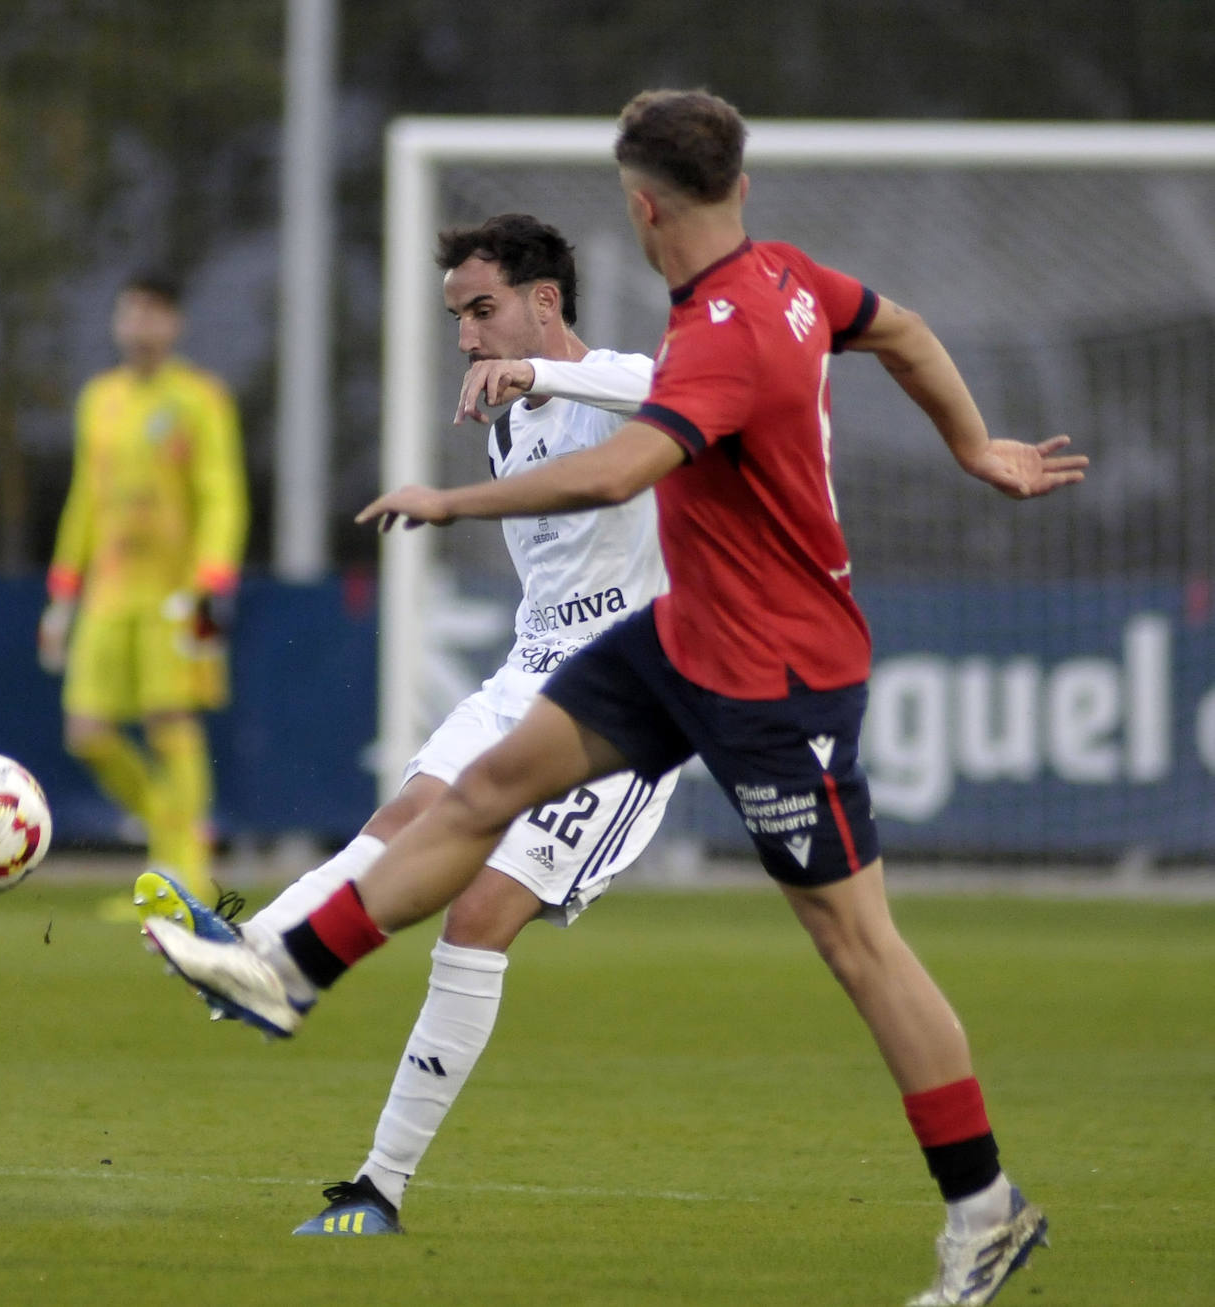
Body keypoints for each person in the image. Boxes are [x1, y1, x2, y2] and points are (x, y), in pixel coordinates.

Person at [142, 90, 1088, 1306]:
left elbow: (619, 472)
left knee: (859, 944)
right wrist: (975, 445)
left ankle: (986, 1209)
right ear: (735, 188)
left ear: (641, 209)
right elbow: (898, 328)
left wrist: (447, 501)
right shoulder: (788, 277)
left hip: (777, 680)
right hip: (680, 636)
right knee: (481, 787)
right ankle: (287, 971)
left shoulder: (724, 336)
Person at [136, 214, 679, 1234]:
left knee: (478, 913)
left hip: (634, 703)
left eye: (483, 310)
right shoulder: (505, 417)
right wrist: (523, 394)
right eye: (457, 318)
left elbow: (676, 394)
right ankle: (249, 957)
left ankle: (379, 1186)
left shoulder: (603, 380)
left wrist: (546, 379)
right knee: (407, 816)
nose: (467, 337)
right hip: (529, 676)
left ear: (545, 301)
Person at [39, 272, 248, 902]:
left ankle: (182, 869)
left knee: (170, 719)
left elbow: (222, 495)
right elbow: (85, 498)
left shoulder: (199, 398)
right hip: (107, 593)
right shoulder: (98, 398)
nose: (140, 325)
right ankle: (170, 828)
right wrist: (62, 591)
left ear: (174, 324)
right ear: (117, 322)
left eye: (154, 314)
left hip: (177, 594)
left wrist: (210, 582)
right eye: (130, 313)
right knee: (87, 732)